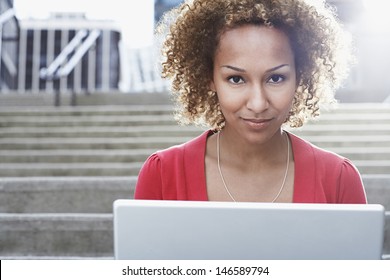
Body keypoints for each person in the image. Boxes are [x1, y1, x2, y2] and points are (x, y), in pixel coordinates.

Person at [134, 0, 367, 203]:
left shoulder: (339, 179)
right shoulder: (163, 174)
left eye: (276, 78)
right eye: (236, 79)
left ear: (300, 76)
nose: (258, 104)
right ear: (209, 78)